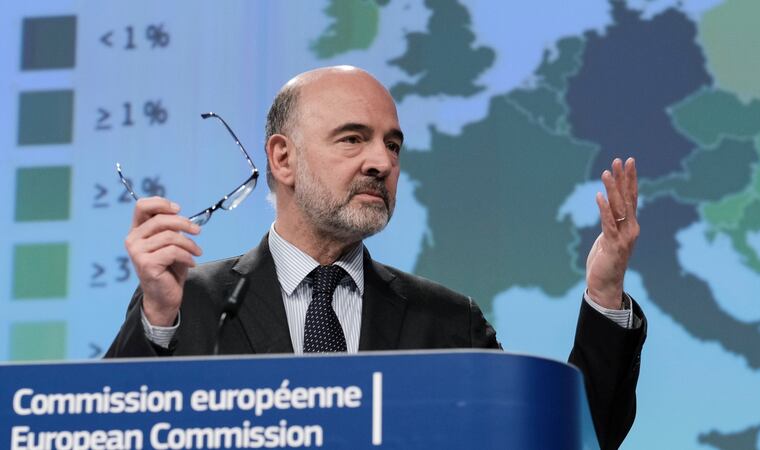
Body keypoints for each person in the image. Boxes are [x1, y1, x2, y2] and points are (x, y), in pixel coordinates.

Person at [106, 66, 646, 449]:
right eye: (352, 139)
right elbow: (101, 433)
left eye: (392, 144)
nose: (381, 162)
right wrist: (156, 319)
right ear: (282, 157)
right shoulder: (191, 302)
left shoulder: (447, 322)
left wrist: (604, 296)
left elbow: (573, 437)